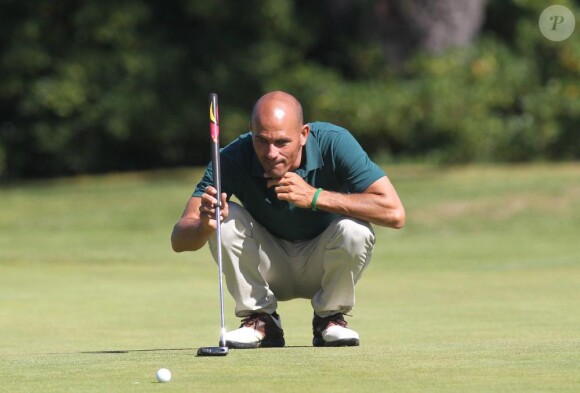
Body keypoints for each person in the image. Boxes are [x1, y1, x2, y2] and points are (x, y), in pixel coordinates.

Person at [171, 91, 405, 348]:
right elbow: (180, 240)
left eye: (282, 142)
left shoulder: (334, 143)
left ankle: (330, 319)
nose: (271, 153)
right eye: (261, 140)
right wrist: (205, 225)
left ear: (304, 134)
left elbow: (394, 213)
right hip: (267, 266)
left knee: (354, 229)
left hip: (323, 264)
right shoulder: (231, 156)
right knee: (224, 218)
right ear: (251, 131)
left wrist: (313, 197)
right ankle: (260, 320)